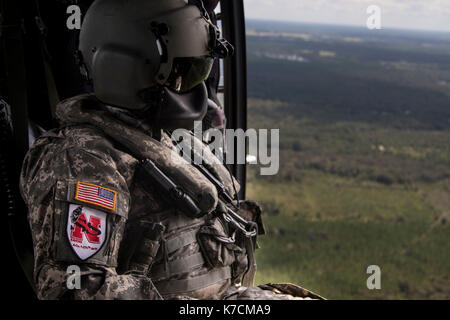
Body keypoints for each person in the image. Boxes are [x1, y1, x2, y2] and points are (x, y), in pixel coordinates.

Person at [20, 0, 322, 300]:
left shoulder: (169, 141)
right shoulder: (83, 160)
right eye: (182, 73)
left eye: (197, 73)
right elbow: (77, 291)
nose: (194, 89)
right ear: (127, 68)